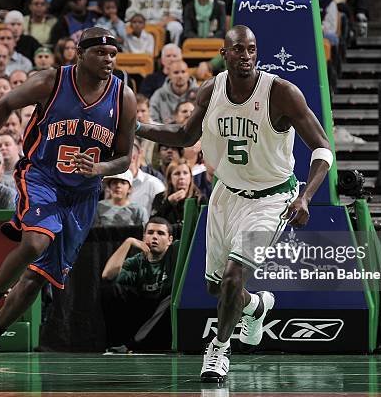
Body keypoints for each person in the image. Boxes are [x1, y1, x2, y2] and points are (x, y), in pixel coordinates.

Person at [136, 25, 332, 382]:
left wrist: (306, 196)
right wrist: (136, 128)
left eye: (251, 49)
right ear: (224, 55)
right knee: (217, 287)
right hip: (225, 194)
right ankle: (255, 306)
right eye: (238, 49)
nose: (245, 55)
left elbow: (322, 148)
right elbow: (184, 135)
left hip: (272, 198)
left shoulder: (281, 92)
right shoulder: (212, 89)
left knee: (231, 278)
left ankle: (219, 350)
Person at [0, 27, 137, 382]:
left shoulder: (123, 96)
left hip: (82, 196)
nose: (109, 60)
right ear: (79, 54)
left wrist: (101, 167)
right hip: (43, 177)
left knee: (37, 281)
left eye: (113, 54)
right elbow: (3, 105)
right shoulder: (51, 82)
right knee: (36, 241)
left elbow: (125, 157)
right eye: (101, 53)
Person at [101, 216, 177, 351]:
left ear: (170, 240)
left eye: (160, 233)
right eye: (150, 232)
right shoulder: (136, 261)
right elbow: (108, 275)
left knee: (172, 297)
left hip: (168, 312)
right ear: (143, 237)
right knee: (110, 289)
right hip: (143, 307)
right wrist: (128, 242)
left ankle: (134, 344)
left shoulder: (176, 251)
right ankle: (118, 343)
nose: (154, 237)